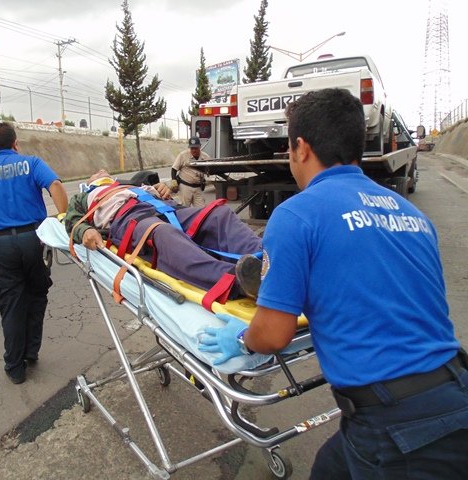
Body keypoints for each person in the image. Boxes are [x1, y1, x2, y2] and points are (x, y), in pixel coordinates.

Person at [199, 88, 468, 479]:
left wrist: (242, 340)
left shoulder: (297, 215)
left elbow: (272, 335)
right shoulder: (412, 215)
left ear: (302, 148)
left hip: (398, 428)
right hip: (455, 390)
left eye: (288, 147)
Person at [0, 123, 68, 385]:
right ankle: (31, 350)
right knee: (37, 294)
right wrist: (63, 219)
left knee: (11, 303)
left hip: (0, 246)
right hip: (34, 241)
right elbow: (55, 185)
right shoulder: (31, 163)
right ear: (15, 143)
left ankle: (15, 367)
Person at [65, 169, 262, 298]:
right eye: (95, 173)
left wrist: (162, 189)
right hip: (132, 218)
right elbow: (71, 221)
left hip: (168, 209)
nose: (101, 171)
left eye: (104, 170)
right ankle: (238, 281)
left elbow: (166, 186)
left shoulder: (130, 184)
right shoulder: (83, 197)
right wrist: (86, 230)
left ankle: (266, 260)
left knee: (219, 215)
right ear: (89, 183)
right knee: (162, 234)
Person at [171, 136, 210, 207]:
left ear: (200, 146)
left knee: (202, 209)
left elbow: (210, 169)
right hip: (185, 187)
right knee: (184, 209)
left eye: (196, 148)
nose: (194, 150)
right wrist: (174, 181)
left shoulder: (205, 157)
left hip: (198, 187)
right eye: (192, 148)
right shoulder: (183, 155)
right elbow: (174, 169)